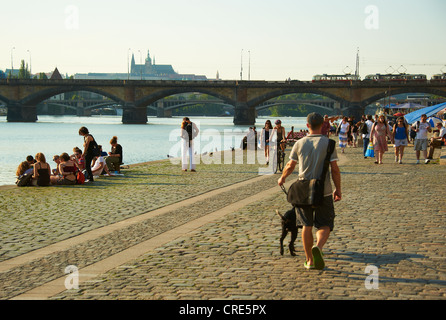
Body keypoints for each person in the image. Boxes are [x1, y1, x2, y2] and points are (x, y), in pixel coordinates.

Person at [278, 112, 341, 270]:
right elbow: (335, 170)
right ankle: (318, 247)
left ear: (307, 126)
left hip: (304, 191)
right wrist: (338, 189)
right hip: (324, 190)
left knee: (306, 225)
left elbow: (290, 166)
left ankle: (309, 260)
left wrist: (282, 178)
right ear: (323, 125)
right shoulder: (329, 144)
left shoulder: (299, 143)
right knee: (325, 224)